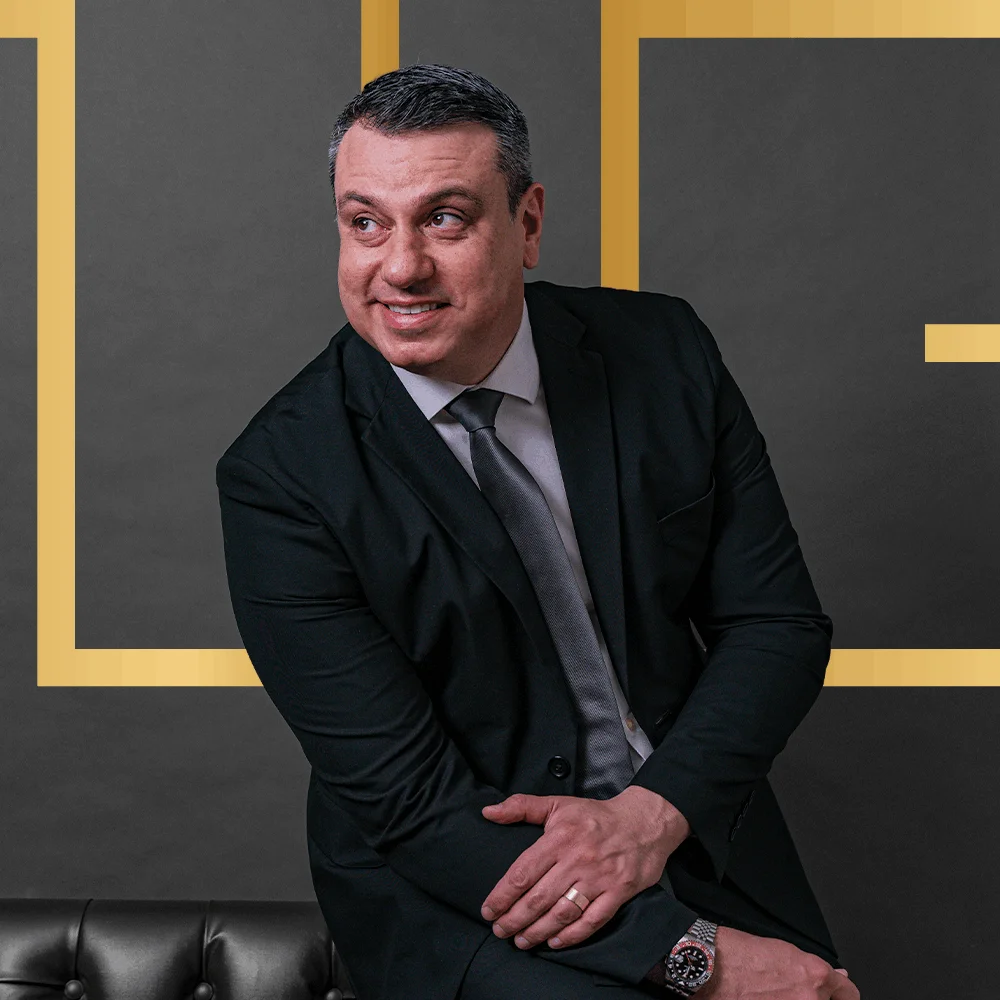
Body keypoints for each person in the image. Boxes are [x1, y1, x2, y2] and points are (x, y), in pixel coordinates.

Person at [216, 63, 860, 1000]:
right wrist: (699, 960)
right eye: (365, 223)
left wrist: (652, 815)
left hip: (688, 822)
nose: (400, 267)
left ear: (527, 223)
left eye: (444, 218)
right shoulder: (280, 477)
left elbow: (776, 625)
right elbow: (410, 804)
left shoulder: (665, 352)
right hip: (468, 894)